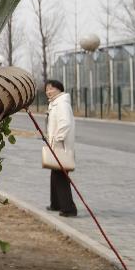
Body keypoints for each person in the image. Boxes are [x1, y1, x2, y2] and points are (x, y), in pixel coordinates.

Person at [42, 79, 77, 217]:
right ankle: (55, 203)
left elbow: (65, 123)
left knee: (61, 176)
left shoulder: (62, 103)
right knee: (55, 174)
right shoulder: (54, 104)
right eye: (46, 90)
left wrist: (57, 139)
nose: (48, 92)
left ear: (59, 89)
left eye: (51, 89)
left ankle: (69, 209)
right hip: (56, 145)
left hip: (61, 146)